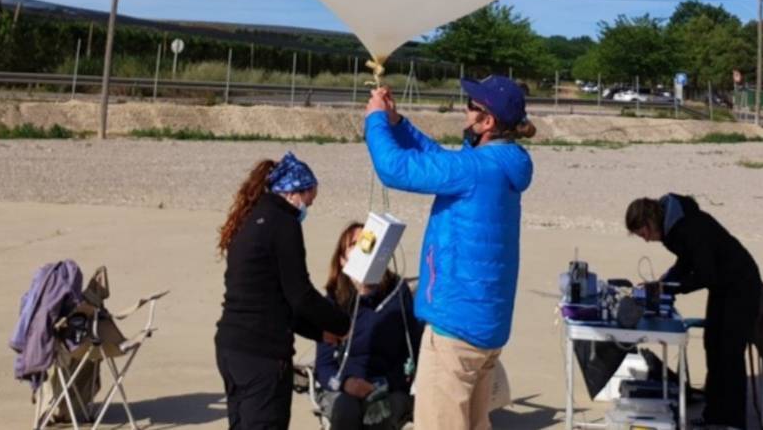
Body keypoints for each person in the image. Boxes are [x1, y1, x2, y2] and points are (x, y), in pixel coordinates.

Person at [363, 76, 534, 430]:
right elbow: (441, 160)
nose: (464, 110)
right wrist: (398, 124)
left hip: (455, 328)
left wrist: (375, 120)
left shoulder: (476, 169)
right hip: (484, 326)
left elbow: (395, 169)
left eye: (472, 106)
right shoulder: (498, 163)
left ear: (487, 123)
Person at [215, 152, 351, 430]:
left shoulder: (251, 218)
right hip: (261, 354)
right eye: (309, 200)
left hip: (232, 347)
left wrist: (319, 332)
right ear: (294, 193)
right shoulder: (283, 223)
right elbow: (300, 295)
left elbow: (276, 299)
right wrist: (341, 323)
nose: (307, 208)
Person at [626, 194, 762, 430]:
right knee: (713, 346)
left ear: (650, 221)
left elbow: (704, 274)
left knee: (729, 351)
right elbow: (685, 262)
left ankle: (733, 422)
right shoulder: (673, 229)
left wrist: (670, 288)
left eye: (643, 233)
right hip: (722, 286)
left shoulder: (689, 227)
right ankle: (714, 416)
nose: (646, 240)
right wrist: (663, 282)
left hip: (741, 285)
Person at [315, 222, 423, 430]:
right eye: (353, 244)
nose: (361, 248)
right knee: (346, 410)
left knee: (381, 416)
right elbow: (324, 366)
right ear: (342, 260)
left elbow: (412, 353)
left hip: (388, 385)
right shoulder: (333, 302)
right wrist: (347, 384)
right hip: (344, 385)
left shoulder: (397, 294)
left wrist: (385, 385)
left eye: (366, 242)